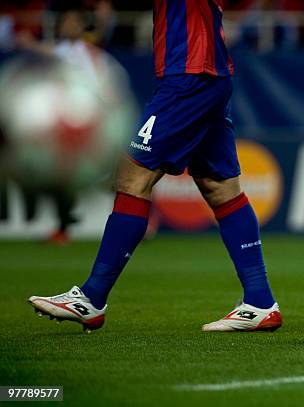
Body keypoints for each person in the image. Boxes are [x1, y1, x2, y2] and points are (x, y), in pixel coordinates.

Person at [28, 0, 282, 333]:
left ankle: (91, 298)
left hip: (189, 76)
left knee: (133, 176)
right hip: (205, 75)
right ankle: (260, 301)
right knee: (219, 186)